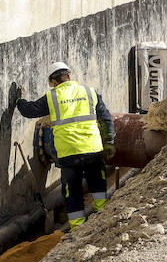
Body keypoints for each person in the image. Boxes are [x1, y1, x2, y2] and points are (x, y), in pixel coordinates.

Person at [12, 61, 116, 230]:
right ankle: (104, 222)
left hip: (69, 153)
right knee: (98, 185)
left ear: (53, 81)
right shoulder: (90, 92)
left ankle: (77, 229)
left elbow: (29, 111)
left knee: (72, 192)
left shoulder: (53, 97)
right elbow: (106, 118)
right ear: (69, 76)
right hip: (92, 149)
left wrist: (18, 101)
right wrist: (110, 141)